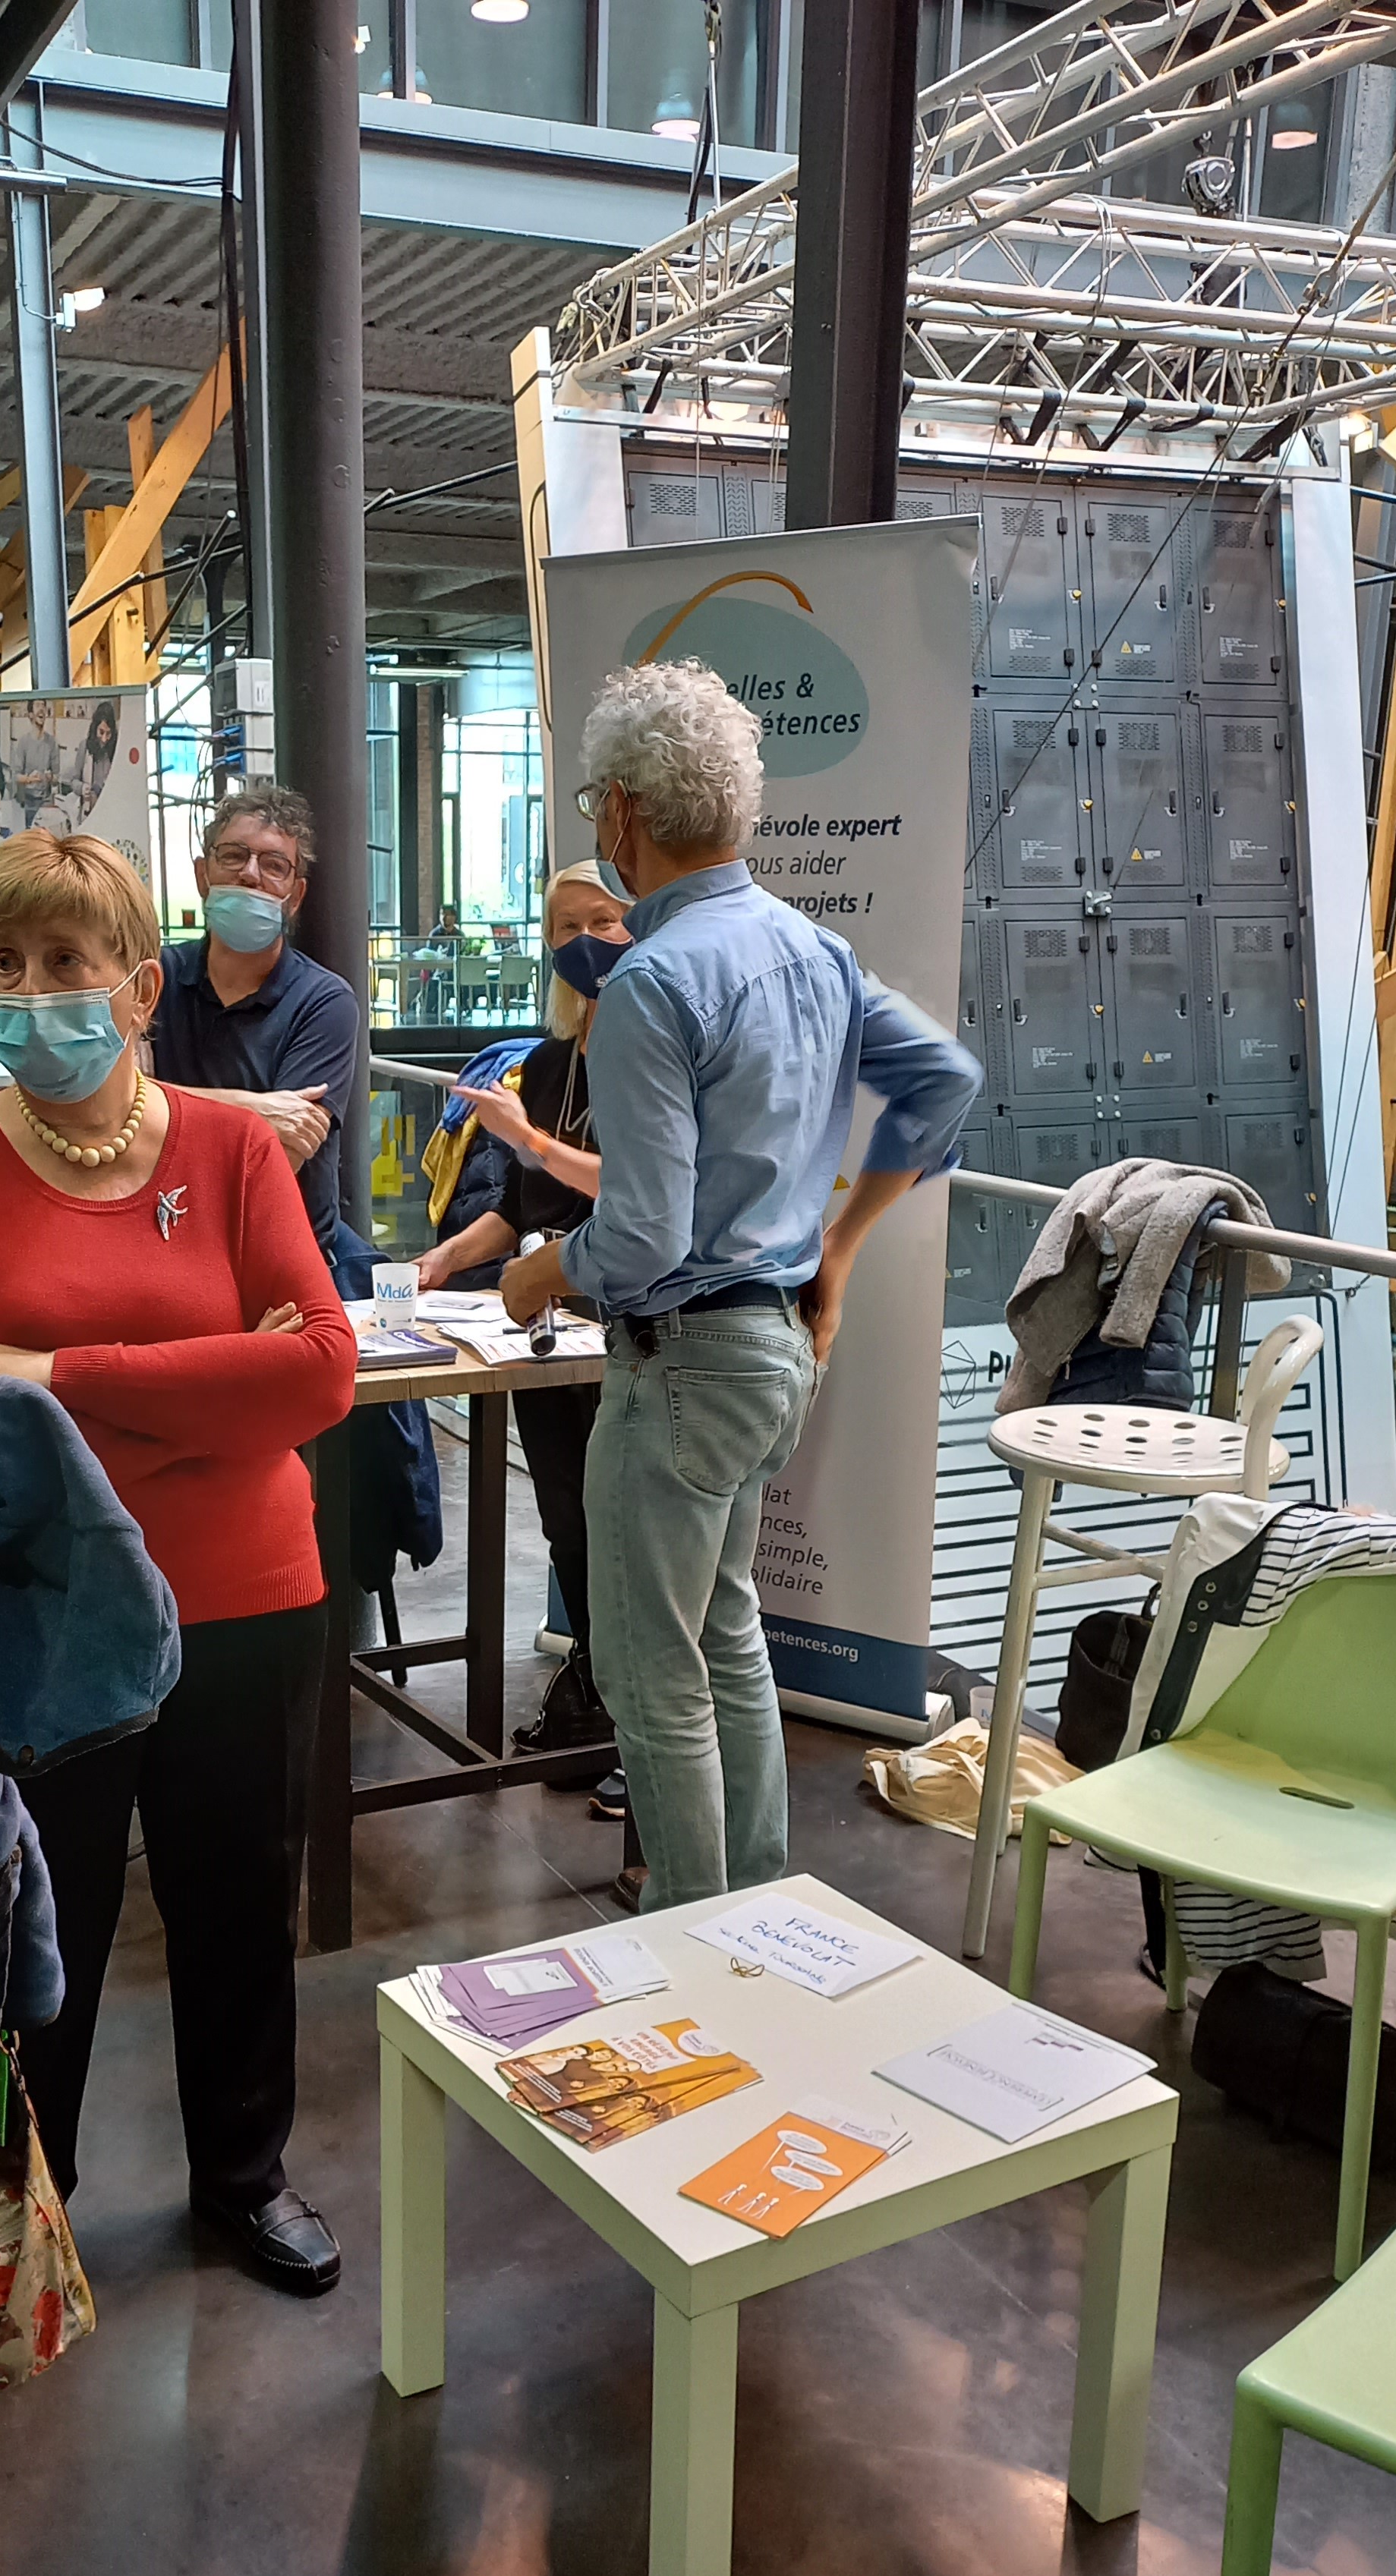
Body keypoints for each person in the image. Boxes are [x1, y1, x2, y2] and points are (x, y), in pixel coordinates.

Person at [0, 830, 359, 2296]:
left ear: (141, 987)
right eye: (4, 964)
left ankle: (244, 2176)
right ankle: (34, 2194)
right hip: (52, 1612)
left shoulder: (231, 1149)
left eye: (66, 963)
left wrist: (55, 1375)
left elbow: (321, 1371)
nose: (32, 994)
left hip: (247, 1599)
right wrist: (211, 1381)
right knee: (47, 1923)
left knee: (239, 1904)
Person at [501, 659, 982, 1913]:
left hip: (680, 1364)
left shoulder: (654, 982)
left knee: (652, 1673)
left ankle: (693, 1937)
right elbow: (945, 1083)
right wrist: (841, 1248)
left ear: (621, 811)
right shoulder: (813, 950)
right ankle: (754, 1916)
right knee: (726, 1639)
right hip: (772, 1352)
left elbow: (643, 1238)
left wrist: (545, 1270)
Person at [418, 859, 629, 1784]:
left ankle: (637, 1727)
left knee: (627, 1530)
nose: (585, 942)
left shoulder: (656, 1058)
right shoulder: (546, 1065)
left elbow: (642, 1197)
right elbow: (517, 1204)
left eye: (605, 921)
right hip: (541, 1323)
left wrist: (533, 1146)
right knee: (568, 1520)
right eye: (565, 928)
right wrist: (443, 1260)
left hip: (624, 1325)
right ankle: (596, 1690)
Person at [153, 781, 361, 1257]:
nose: (250, 875)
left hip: (282, 1256)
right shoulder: (156, 978)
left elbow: (277, 1159)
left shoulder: (324, 1002)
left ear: (295, 896)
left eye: (274, 865)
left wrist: (151, 1102)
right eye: (233, 856)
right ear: (203, 876)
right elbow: (107, 1111)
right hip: (167, 1246)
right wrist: (255, 1110)